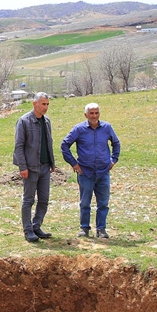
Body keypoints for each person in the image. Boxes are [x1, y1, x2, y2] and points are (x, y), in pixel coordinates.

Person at [61, 102, 121, 238]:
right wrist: (73, 163)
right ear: (86, 115)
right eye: (91, 113)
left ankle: (101, 229)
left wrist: (113, 160)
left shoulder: (107, 127)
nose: (94, 116)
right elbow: (65, 145)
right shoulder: (79, 129)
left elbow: (116, 143)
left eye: (96, 113)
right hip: (85, 172)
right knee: (85, 202)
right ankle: (84, 228)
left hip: (103, 172)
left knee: (103, 203)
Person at [13, 93, 57, 242]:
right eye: (43, 104)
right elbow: (19, 146)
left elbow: (48, 143)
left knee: (44, 199)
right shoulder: (24, 121)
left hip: (45, 167)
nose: (45, 107)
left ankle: (36, 226)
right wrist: (22, 167)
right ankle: (28, 230)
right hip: (30, 168)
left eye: (47, 104)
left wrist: (52, 163)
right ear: (35, 104)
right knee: (28, 200)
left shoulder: (47, 122)